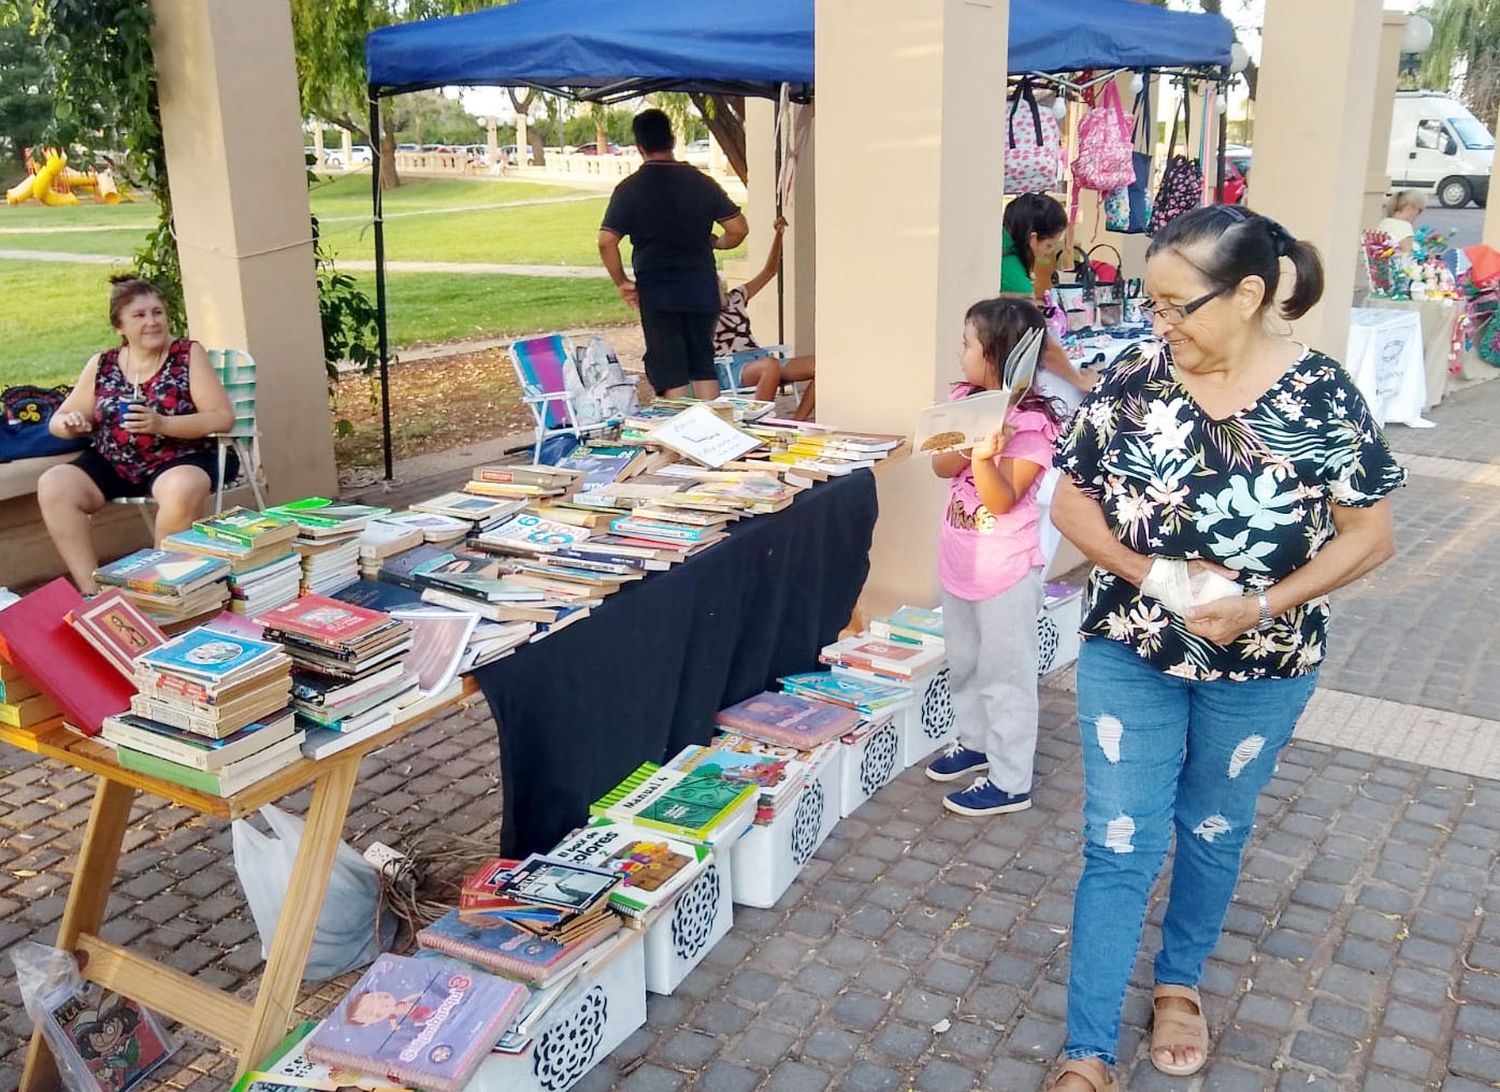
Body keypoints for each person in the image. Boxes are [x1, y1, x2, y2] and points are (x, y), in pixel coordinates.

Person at [1046, 205, 1404, 1092]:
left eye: (1177, 306)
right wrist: (1153, 575)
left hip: (1265, 663)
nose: (1160, 325)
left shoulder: (1324, 395)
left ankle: (1178, 985)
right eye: (1153, 304)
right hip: (1131, 647)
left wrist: (1263, 603)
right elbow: (1070, 503)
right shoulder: (1133, 379)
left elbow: (1370, 536)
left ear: (1248, 295)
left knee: (1211, 830)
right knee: (1119, 840)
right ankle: (1088, 1052)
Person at [925, 298, 1067, 817]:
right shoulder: (964, 399)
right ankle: (975, 741)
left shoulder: (1032, 425)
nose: (959, 352)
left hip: (1006, 570)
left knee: (1005, 674)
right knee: (964, 662)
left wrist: (987, 457)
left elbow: (1002, 498)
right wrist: (965, 442)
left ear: (999, 354)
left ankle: (1010, 779)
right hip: (959, 560)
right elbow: (942, 466)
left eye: (968, 344)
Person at [40, 275, 234, 595]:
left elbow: (221, 417)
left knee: (184, 487)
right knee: (54, 485)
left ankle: (161, 594)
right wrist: (69, 423)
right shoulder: (102, 363)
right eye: (139, 315)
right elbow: (58, 421)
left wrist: (162, 424)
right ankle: (94, 591)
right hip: (112, 461)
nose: (152, 321)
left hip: (179, 456)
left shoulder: (187, 354)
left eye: (157, 312)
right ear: (120, 326)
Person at [598, 109, 749, 399]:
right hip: (701, 289)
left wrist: (621, 282)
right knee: (703, 364)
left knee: (670, 370)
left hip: (658, 292)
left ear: (640, 146)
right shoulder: (701, 182)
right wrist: (717, 244)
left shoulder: (629, 190)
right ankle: (714, 438)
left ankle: (679, 439)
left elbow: (607, 241)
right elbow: (739, 228)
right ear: (673, 139)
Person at [714, 216, 817, 419]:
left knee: (821, 365)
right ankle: (760, 422)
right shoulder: (700, 312)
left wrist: (778, 234)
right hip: (731, 367)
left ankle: (796, 422)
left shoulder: (737, 297)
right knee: (770, 365)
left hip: (759, 358)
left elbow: (769, 272)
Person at [1000, 193, 1098, 402]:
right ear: (1033, 238)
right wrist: (1080, 380)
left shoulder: (995, 243)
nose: (1047, 255)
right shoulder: (1014, 277)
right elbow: (1037, 343)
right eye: (1049, 246)